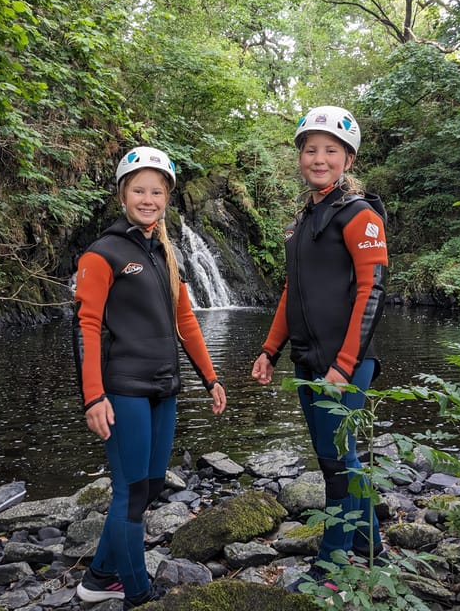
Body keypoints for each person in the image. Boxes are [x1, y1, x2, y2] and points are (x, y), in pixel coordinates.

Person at [72, 146, 227, 609]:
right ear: (123, 194)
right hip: (123, 389)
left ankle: (99, 576)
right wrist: (93, 396)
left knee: (152, 484)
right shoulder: (103, 253)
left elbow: (186, 321)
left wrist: (210, 378)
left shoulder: (165, 251)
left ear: (167, 197)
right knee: (130, 493)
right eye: (138, 189)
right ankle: (139, 594)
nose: (148, 198)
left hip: (164, 387)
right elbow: (86, 328)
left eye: (156, 191)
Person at [251, 106, 389, 588]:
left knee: (336, 465)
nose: (319, 158)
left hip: (345, 361)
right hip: (308, 358)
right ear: (300, 157)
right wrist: (269, 350)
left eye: (331, 150)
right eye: (311, 149)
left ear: (347, 159)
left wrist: (345, 366)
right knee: (340, 458)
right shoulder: (302, 221)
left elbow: (372, 291)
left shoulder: (359, 214)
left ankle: (333, 563)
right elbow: (293, 291)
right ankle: (373, 547)